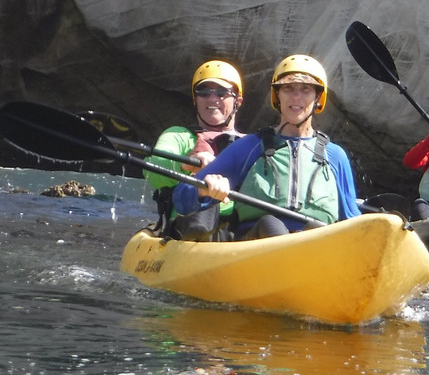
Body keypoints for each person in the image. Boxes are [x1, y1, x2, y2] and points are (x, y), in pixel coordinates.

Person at [172, 54, 361, 240]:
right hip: (258, 243)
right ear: (277, 96)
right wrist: (203, 190)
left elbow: (353, 222)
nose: (296, 97)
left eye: (305, 89)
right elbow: (181, 196)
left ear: (318, 98)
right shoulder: (251, 147)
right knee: (271, 224)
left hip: (315, 244)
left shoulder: (335, 156)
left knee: (316, 230)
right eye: (287, 88)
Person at [145, 60, 244, 241]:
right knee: (205, 211)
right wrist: (185, 164)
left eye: (222, 93)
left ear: (237, 101)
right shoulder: (178, 136)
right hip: (192, 225)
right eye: (204, 92)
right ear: (195, 100)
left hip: (238, 229)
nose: (212, 99)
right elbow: (152, 168)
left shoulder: (251, 144)